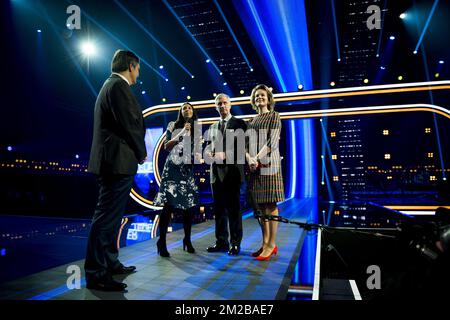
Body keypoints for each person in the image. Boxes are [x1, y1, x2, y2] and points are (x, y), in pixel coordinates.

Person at [85, 50, 147, 291]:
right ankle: (97, 273)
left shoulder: (109, 86)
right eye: (138, 69)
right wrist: (142, 152)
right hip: (116, 162)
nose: (138, 75)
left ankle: (110, 263)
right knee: (106, 218)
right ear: (131, 66)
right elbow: (130, 124)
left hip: (114, 161)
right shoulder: (118, 87)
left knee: (111, 217)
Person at [153, 102, 201, 257]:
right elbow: (167, 146)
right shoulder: (173, 125)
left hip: (186, 168)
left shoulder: (197, 128)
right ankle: (162, 241)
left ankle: (187, 240)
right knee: (168, 206)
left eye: (189, 108)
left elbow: (197, 149)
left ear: (193, 112)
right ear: (181, 112)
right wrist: (181, 134)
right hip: (172, 167)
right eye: (184, 108)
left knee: (188, 207)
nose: (187, 109)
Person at [246, 84, 285, 261]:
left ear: (268, 98)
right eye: (256, 96)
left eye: (262, 95)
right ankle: (265, 243)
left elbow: (272, 142)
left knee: (270, 205)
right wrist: (249, 158)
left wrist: (256, 158)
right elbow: (244, 145)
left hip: (269, 165)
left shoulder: (274, 116)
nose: (259, 98)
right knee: (261, 206)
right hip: (254, 168)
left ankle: (271, 244)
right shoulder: (252, 121)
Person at [206, 93, 247, 256]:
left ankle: (235, 243)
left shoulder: (239, 123)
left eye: (224, 103)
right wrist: (208, 153)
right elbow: (209, 147)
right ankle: (221, 242)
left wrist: (225, 155)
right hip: (215, 174)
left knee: (234, 210)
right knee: (219, 210)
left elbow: (243, 148)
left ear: (230, 104)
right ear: (216, 107)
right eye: (219, 104)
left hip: (232, 173)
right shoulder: (212, 127)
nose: (222, 106)